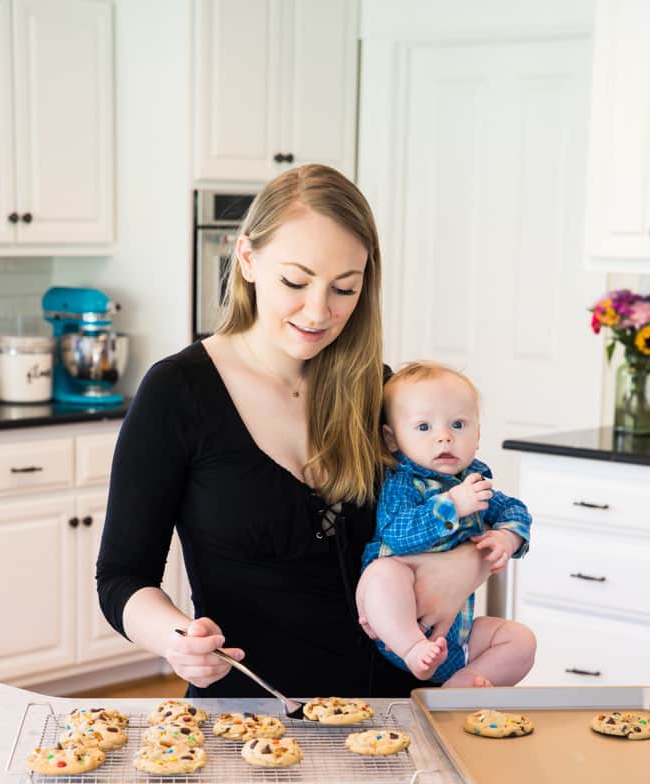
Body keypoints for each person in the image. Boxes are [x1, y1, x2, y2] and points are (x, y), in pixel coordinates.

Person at [96, 164, 492, 698]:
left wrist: (465, 566)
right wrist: (178, 640)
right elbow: (122, 577)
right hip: (250, 719)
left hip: (394, 716)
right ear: (248, 258)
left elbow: (463, 506)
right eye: (295, 281)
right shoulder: (179, 391)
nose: (318, 311)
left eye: (344, 289)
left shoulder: (379, 390)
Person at [356, 361, 536, 688]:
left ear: (478, 434)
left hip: (458, 634)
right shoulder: (404, 482)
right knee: (382, 573)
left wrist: (507, 536)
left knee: (520, 640)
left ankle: (465, 681)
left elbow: (514, 508)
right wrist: (452, 504)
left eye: (458, 424)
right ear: (392, 439)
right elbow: (398, 534)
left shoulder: (474, 482)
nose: (444, 438)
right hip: (399, 625)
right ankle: (413, 648)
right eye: (424, 427)